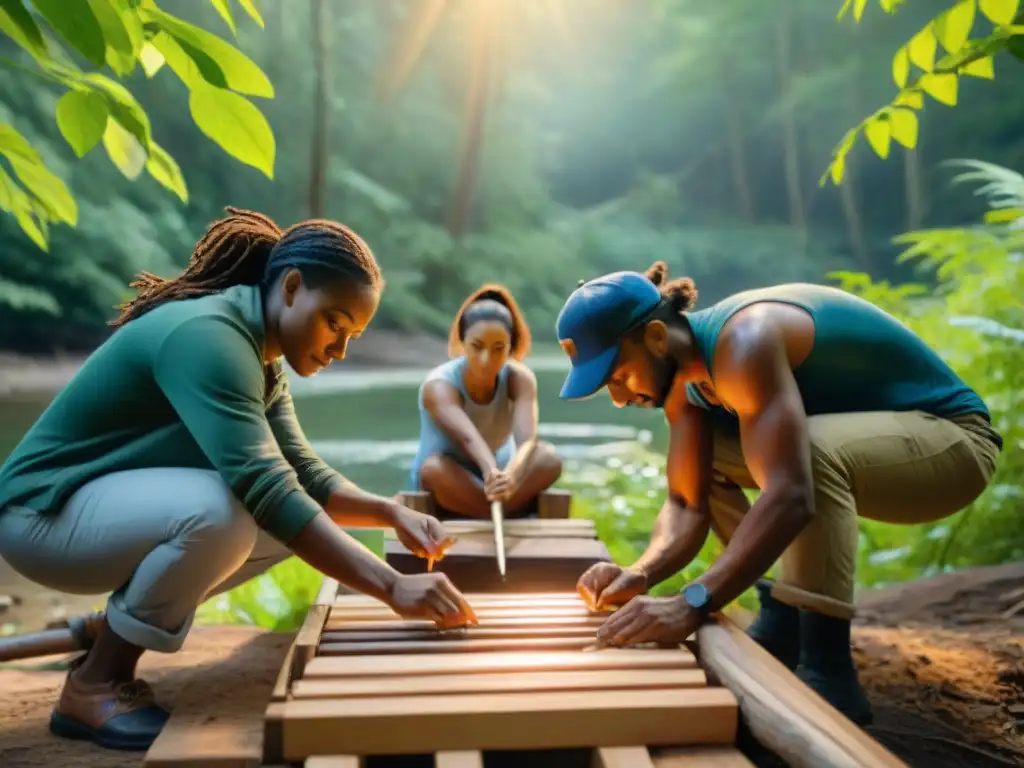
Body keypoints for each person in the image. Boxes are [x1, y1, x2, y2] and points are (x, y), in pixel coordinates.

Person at [0, 207, 477, 751]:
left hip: (90, 518)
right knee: (223, 511)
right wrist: (392, 585)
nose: (341, 350)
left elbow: (303, 474)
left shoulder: (261, 353)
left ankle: (109, 629)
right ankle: (94, 686)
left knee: (281, 525)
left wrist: (390, 511)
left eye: (354, 336)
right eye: (335, 324)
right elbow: (267, 487)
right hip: (39, 518)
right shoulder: (210, 337)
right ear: (292, 288)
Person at [558, 262, 1001, 726]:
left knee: (804, 453)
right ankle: (784, 619)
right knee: (718, 455)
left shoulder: (745, 341)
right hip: (876, 453)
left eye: (618, 377)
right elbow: (686, 503)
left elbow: (791, 494)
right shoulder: (684, 386)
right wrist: (640, 573)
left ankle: (828, 669)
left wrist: (691, 601)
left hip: (954, 445)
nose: (620, 398)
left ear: (655, 337)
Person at [408, 284, 563, 519]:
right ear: (462, 342)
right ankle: (505, 510)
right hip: (453, 479)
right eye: (477, 346)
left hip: (500, 481)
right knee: (433, 470)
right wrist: (491, 472)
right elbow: (469, 438)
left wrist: (509, 476)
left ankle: (493, 509)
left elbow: (527, 441)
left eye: (498, 348)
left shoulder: (519, 378)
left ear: (511, 346)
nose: (486, 359)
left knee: (548, 458)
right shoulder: (438, 386)